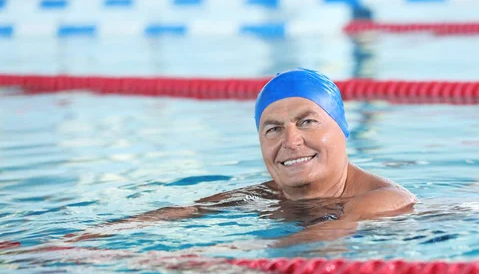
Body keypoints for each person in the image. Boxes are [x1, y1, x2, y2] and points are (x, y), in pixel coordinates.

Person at [65, 68, 417, 248]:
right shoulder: (265, 195)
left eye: (307, 121)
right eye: (273, 129)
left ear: (341, 128)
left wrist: (204, 263)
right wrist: (77, 241)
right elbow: (188, 211)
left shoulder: (384, 200)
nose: (291, 141)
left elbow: (325, 241)